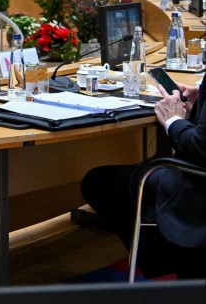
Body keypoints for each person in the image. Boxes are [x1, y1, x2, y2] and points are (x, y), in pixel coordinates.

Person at [80, 75, 206, 278]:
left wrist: (173, 120)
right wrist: (201, 101)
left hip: (198, 183)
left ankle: (181, 269)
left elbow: (200, 149)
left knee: (98, 182)